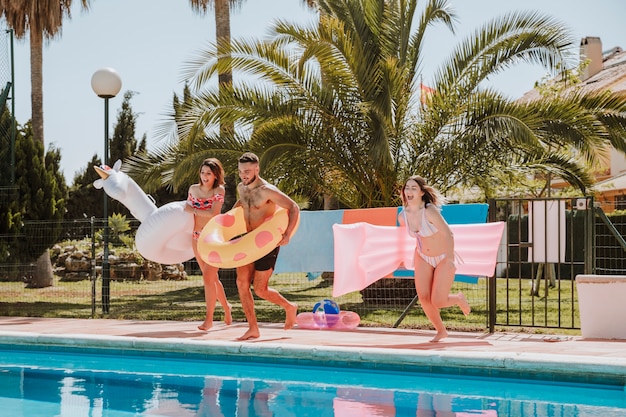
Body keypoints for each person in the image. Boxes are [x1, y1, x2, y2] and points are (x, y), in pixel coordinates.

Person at [233, 152, 300, 340]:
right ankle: (253, 328)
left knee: (260, 289)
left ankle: (289, 306)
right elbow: (242, 204)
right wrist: (228, 218)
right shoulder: (241, 187)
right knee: (241, 283)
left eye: (247, 171)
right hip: (247, 240)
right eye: (240, 171)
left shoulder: (267, 190)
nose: (243, 175)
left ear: (257, 169)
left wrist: (287, 234)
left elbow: (293, 207)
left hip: (265, 244)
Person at [398, 175, 470, 342]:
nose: (409, 191)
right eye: (407, 188)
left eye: (413, 188)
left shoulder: (429, 210)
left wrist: (451, 258)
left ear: (422, 192)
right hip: (422, 256)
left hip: (444, 257)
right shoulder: (403, 216)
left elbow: (448, 234)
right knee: (423, 298)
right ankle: (441, 331)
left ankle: (458, 298)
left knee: (437, 301)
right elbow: (413, 237)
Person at [185, 158, 232, 331]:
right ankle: (227, 308)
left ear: (215, 175)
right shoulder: (193, 189)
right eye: (203, 172)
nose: (205, 176)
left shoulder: (219, 189)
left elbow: (214, 214)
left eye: (209, 173)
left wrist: (195, 210)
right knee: (211, 277)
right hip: (196, 237)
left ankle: (209, 319)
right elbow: (186, 212)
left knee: (208, 277)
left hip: (212, 238)